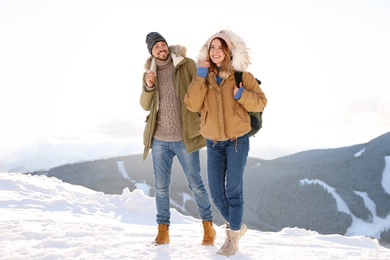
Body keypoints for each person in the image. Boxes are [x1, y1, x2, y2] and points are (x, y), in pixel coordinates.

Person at [184, 30, 267, 256]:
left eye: (221, 48)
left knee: (233, 192)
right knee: (217, 194)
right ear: (207, 52)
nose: (216, 52)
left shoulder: (241, 76)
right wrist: (200, 75)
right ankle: (237, 227)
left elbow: (261, 102)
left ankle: (232, 240)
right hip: (212, 143)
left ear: (229, 51)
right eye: (212, 48)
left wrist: (241, 96)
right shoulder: (204, 76)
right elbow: (191, 104)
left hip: (237, 141)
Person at [140, 32, 216, 246]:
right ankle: (163, 231)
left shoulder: (186, 64)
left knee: (196, 185)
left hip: (185, 137)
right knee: (161, 187)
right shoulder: (149, 74)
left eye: (163, 44)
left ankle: (208, 227)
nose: (161, 49)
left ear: (168, 46)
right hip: (159, 140)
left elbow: (202, 88)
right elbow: (145, 104)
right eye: (156, 47)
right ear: (151, 52)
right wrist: (148, 85)